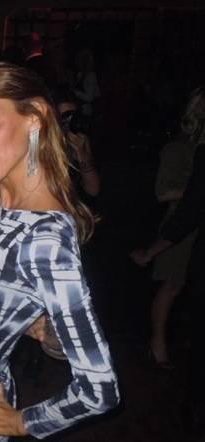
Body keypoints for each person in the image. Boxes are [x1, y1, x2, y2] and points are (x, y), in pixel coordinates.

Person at [0, 62, 120, 441]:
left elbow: (100, 389)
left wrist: (22, 422)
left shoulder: (47, 240)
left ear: (34, 117)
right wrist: (23, 318)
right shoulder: (1, 203)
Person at [130, 86, 205, 439]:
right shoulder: (178, 148)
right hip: (181, 228)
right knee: (172, 286)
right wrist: (195, 191)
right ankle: (157, 343)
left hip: (193, 226)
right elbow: (163, 192)